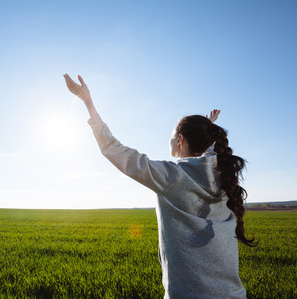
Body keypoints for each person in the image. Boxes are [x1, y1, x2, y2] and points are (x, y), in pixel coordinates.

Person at [64, 74, 258, 299]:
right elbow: (210, 154)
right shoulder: (222, 175)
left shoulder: (172, 176)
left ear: (180, 140)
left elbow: (114, 149)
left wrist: (87, 101)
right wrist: (208, 128)